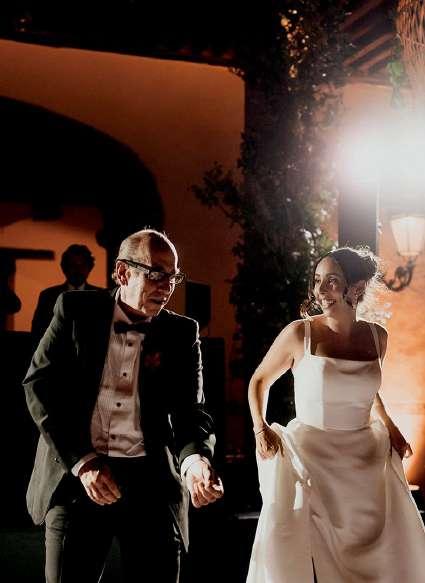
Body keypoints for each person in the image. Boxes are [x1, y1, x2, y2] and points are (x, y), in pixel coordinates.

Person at [23, 228, 224, 583]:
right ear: (122, 272)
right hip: (78, 477)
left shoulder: (181, 333)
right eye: (156, 273)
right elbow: (39, 386)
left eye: (173, 276)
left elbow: (190, 411)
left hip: (150, 484)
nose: (167, 286)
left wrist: (195, 462)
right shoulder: (75, 311)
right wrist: (82, 462)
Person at [246, 246, 425, 582]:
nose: (320, 290)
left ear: (356, 287)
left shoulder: (378, 337)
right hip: (310, 458)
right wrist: (260, 428)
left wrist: (391, 427)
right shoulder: (299, 334)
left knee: (385, 558)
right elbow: (259, 381)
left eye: (331, 281)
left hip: (364, 461)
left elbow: (367, 390)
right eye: (317, 281)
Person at [31, 243, 103, 345]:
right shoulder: (48, 296)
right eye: (72, 265)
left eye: (82, 265)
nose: (77, 270)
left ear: (89, 268)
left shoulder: (100, 296)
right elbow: (38, 331)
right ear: (64, 268)